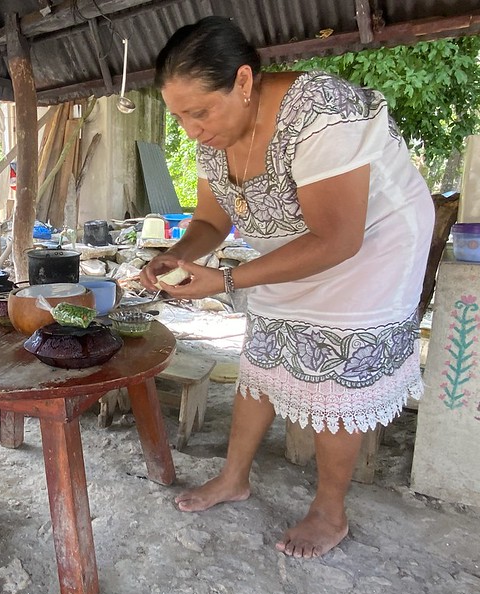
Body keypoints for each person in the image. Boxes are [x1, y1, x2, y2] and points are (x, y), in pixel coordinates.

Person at [143, 17, 434, 558]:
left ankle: (330, 510)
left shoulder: (321, 114)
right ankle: (234, 477)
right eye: (178, 116)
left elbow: (338, 239)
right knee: (266, 346)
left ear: (245, 82)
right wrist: (177, 255)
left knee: (337, 372)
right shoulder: (216, 135)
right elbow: (212, 220)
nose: (191, 129)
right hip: (301, 241)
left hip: (372, 243)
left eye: (200, 111)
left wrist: (227, 278)